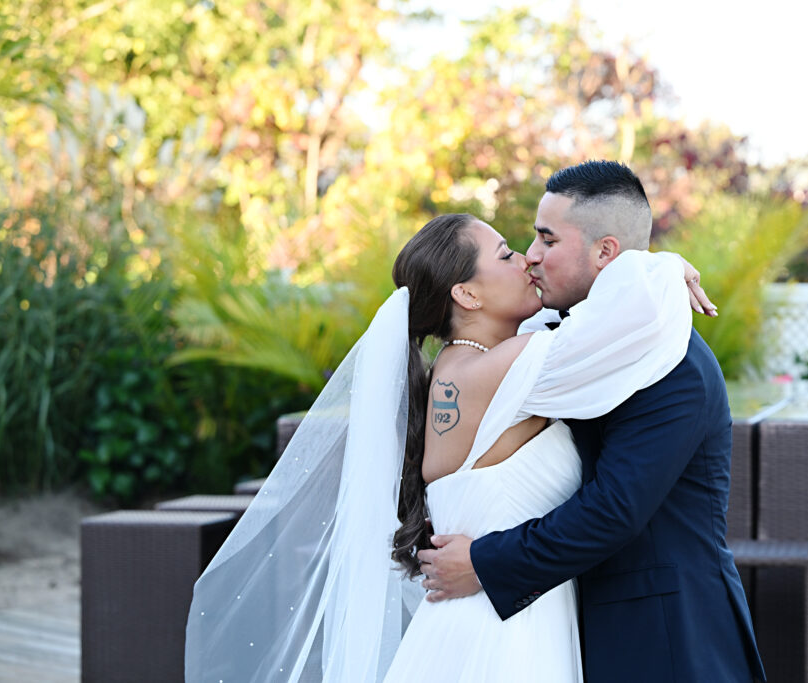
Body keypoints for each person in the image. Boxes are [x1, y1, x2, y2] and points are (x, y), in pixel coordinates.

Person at [185, 201, 706, 681]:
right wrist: (658, 267)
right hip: (506, 635)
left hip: (478, 616)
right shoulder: (503, 369)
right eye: (505, 254)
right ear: (467, 293)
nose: (526, 259)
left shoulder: (457, 370)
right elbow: (624, 320)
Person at [418, 161, 767, 682]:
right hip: (558, 630)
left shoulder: (677, 367)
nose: (531, 256)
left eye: (547, 240)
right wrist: (661, 269)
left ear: (605, 252)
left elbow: (615, 509)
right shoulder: (569, 345)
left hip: (666, 637)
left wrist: (484, 563)